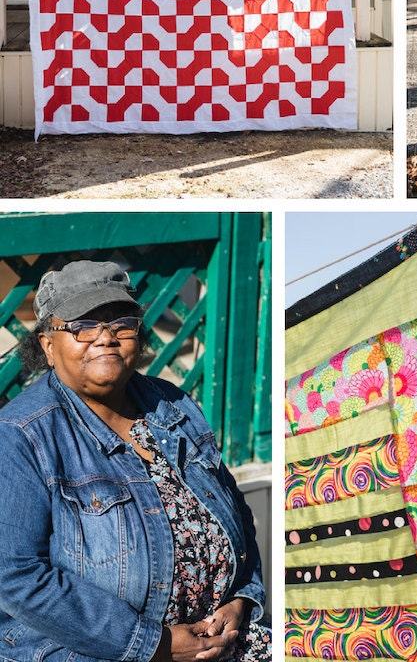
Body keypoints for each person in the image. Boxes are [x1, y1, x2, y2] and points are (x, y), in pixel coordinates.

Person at [0, 260, 271, 662]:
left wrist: (242, 601)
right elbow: (17, 577)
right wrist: (155, 645)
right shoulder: (20, 434)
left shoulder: (172, 403)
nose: (105, 338)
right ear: (47, 345)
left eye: (120, 323)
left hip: (221, 641)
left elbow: (235, 509)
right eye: (82, 325)